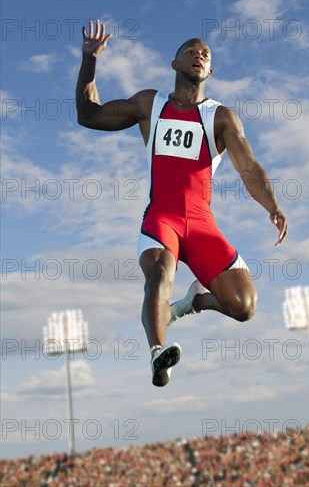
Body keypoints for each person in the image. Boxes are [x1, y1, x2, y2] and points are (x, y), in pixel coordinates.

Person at [76, 20, 288, 387]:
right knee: (159, 273)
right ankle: (159, 353)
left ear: (210, 70)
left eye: (205, 53)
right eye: (190, 50)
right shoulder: (149, 104)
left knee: (244, 306)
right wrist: (89, 62)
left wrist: (272, 205)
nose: (199, 54)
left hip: (201, 224)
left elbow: (248, 165)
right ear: (175, 64)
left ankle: (192, 303)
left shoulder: (221, 117)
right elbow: (88, 115)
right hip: (163, 218)